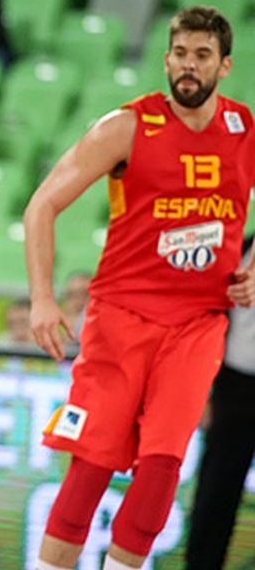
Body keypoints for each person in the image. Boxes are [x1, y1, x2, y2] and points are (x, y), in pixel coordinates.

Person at [23, 6, 255, 570]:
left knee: (161, 469)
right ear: (167, 58)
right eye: (180, 54)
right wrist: (43, 298)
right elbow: (42, 206)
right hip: (120, 318)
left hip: (199, 322)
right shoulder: (127, 126)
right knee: (91, 468)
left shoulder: (243, 129)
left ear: (224, 65)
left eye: (202, 56)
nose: (188, 66)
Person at [186, 238, 255, 570]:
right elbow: (208, 317)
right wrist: (203, 389)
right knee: (216, 491)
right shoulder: (237, 250)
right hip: (232, 385)